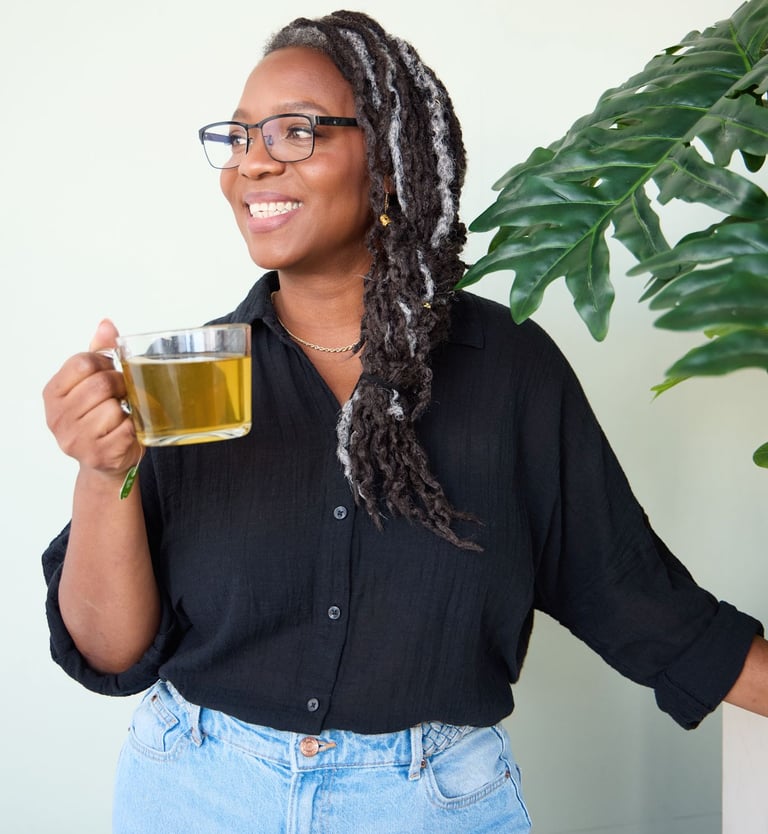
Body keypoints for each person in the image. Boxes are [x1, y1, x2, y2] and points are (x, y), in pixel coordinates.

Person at [41, 10, 768, 834]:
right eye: (239, 136)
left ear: (387, 164)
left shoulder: (508, 369)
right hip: (194, 791)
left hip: (429, 804)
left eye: (295, 131)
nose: (253, 162)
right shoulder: (191, 377)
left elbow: (633, 597)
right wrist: (103, 472)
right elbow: (108, 651)